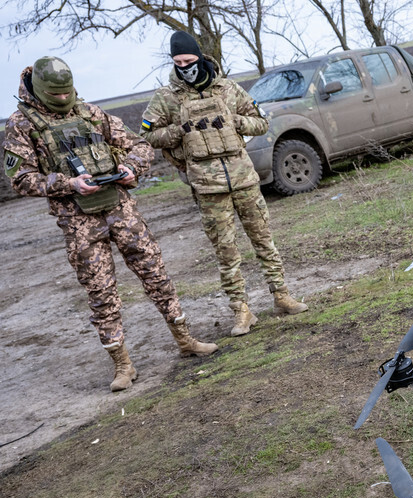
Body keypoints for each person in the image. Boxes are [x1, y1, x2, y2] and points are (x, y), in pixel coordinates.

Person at [3, 56, 218, 392]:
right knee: (101, 293)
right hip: (79, 223)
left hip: (122, 209)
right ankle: (122, 364)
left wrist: (132, 167)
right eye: (56, 95)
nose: (64, 99)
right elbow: (20, 178)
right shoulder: (21, 125)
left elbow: (139, 144)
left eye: (68, 92)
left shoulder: (91, 113)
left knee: (156, 274)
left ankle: (186, 339)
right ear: (41, 90)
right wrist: (69, 184)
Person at [139, 31, 308, 337]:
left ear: (200, 58)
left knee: (264, 240)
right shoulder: (166, 98)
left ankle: (281, 296)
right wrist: (179, 131)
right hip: (208, 188)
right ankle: (242, 311)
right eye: (178, 62)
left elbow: (261, 120)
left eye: (189, 61)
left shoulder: (227, 87)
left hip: (243, 179)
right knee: (226, 252)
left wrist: (234, 121)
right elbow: (148, 134)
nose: (184, 67)